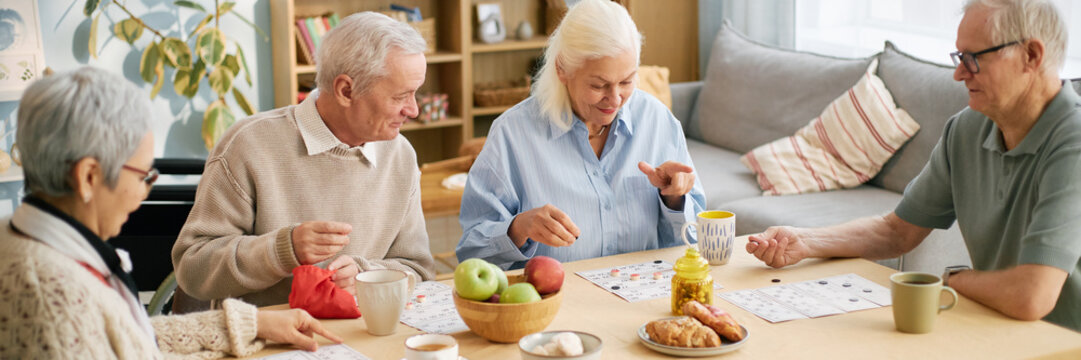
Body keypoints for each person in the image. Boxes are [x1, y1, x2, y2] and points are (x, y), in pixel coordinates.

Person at [745, 0, 1080, 332]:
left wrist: (953, 280)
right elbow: (896, 231)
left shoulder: (1073, 142)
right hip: (996, 326)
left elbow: (1031, 296)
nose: (958, 73)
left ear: (1031, 56)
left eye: (973, 59)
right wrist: (806, 242)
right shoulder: (966, 129)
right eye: (959, 57)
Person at [0, 67, 342, 358]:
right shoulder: (56, 298)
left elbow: (125, 338)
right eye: (143, 176)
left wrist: (251, 324)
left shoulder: (18, 236)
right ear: (88, 177)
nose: (143, 193)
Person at [173, 12, 435, 307]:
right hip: (268, 341)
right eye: (401, 96)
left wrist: (368, 275)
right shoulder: (248, 145)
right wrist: (282, 250)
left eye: (416, 94)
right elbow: (192, 269)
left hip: (362, 336)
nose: (413, 110)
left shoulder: (399, 154)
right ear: (345, 90)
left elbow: (418, 270)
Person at [456, 0, 706, 269]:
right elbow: (472, 252)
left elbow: (696, 239)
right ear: (562, 68)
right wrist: (518, 228)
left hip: (642, 299)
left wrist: (674, 198)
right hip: (553, 303)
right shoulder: (513, 133)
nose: (615, 98)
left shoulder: (657, 120)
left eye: (626, 81)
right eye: (599, 85)